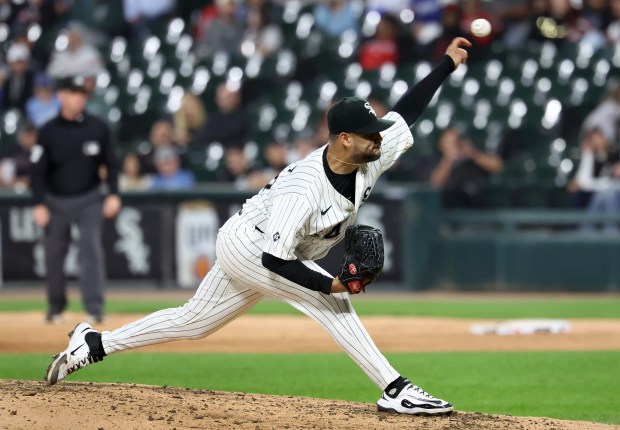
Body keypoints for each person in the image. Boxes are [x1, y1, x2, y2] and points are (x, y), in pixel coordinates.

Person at [44, 37, 470, 417]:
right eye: (368, 134)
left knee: (194, 322)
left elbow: (405, 114)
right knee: (331, 305)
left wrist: (445, 66)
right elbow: (274, 259)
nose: (378, 139)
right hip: (250, 244)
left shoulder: (369, 152)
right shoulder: (304, 189)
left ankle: (94, 343)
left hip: (273, 247)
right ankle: (394, 389)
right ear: (343, 138)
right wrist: (334, 286)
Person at [30, 75, 121, 324]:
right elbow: (37, 170)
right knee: (54, 253)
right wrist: (39, 203)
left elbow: (111, 164)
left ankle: (94, 307)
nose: (79, 98)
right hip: (55, 200)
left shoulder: (97, 127)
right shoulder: (48, 130)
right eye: (74, 93)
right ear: (61, 96)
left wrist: (113, 193)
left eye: (82, 94)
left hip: (90, 198)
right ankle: (55, 307)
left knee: (90, 249)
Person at [429, 127, 504, 208]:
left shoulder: (473, 157)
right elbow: (435, 184)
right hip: (450, 208)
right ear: (440, 145)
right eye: (450, 142)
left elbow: (498, 166)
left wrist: (473, 153)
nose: (456, 144)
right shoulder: (435, 161)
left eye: (457, 140)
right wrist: (449, 158)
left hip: (479, 204)